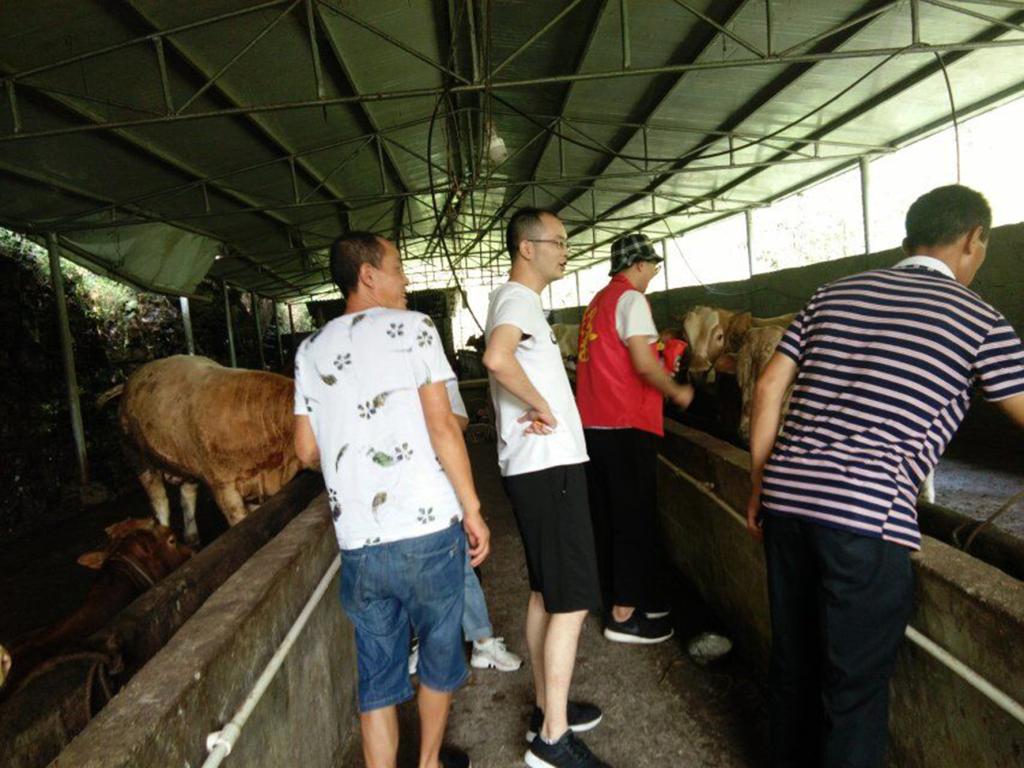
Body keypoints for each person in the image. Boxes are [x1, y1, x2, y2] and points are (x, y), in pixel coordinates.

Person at [746, 184, 1024, 768]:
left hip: (786, 498)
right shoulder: (980, 319)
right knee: (853, 688)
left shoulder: (831, 293)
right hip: (865, 514)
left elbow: (769, 386)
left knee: (794, 662)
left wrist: (759, 485)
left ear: (908, 241)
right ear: (974, 239)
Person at [293, 231, 490, 768]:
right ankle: (428, 763)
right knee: (439, 656)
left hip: (360, 541)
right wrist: (473, 508)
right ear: (368, 275)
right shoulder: (414, 328)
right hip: (428, 531)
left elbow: (305, 449)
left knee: (377, 677)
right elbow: (443, 427)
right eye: (398, 269)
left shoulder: (309, 351)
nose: (405, 281)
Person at [483, 208, 609, 768]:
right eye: (557, 241)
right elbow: (496, 357)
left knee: (545, 594)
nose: (565, 251)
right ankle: (553, 740)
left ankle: (544, 708)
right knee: (574, 600)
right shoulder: (517, 299)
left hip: (535, 468)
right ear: (526, 248)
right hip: (547, 467)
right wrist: (542, 405)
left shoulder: (516, 300)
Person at [575, 232, 694, 644]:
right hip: (625, 423)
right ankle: (623, 617)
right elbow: (643, 363)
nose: (654, 273)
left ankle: (632, 597)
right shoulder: (631, 299)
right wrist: (676, 391)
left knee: (609, 516)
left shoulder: (598, 303)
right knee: (632, 518)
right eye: (653, 266)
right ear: (639, 265)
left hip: (594, 426)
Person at [408, 382, 523, 676]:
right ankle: (429, 643)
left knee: (459, 561)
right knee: (417, 569)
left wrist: (425, 417)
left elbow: (459, 420)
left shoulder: (433, 370)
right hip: (402, 488)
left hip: (439, 482)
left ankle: (481, 641)